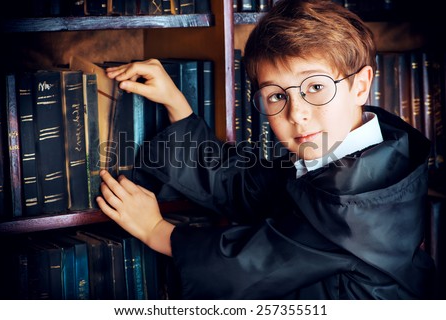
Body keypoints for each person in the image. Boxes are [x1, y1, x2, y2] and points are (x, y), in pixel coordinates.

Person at [98, 0, 434, 299]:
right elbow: (247, 185)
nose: (296, 113)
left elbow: (249, 266)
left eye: (315, 87)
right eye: (276, 95)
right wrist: (178, 106)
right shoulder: (360, 151)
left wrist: (156, 231)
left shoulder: (352, 205)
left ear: (360, 86)